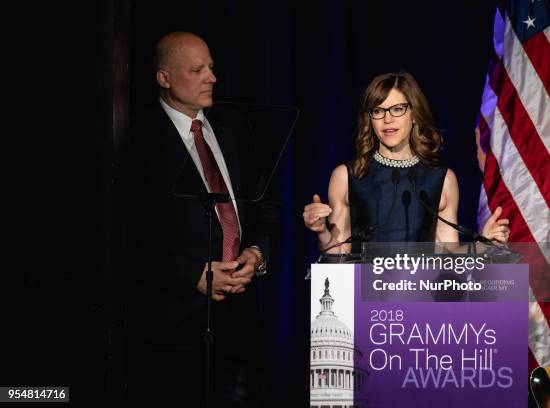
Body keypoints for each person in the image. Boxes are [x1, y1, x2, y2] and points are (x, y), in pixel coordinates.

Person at [127, 31, 277, 406]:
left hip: (241, 313)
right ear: (164, 78)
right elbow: (124, 232)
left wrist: (257, 254)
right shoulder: (137, 138)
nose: (212, 77)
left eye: (211, 66)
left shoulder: (235, 127)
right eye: (197, 70)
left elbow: (265, 205)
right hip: (173, 322)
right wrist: (190, 273)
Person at [303, 72, 509, 250]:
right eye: (378, 111)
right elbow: (337, 255)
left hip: (418, 292)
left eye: (397, 109)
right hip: (362, 293)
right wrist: (321, 231)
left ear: (414, 114)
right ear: (370, 119)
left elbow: (446, 258)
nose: (387, 119)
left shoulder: (442, 179)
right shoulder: (347, 176)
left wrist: (483, 246)